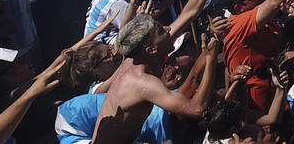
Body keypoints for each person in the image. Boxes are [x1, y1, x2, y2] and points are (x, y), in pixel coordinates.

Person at [90, 16, 220, 143]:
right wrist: (211, 60)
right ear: (151, 50)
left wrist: (210, 43)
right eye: (161, 31)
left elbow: (192, 80)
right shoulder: (142, 82)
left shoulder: (133, 61)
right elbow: (196, 108)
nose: (168, 28)